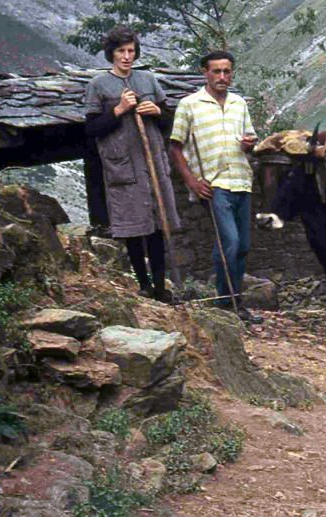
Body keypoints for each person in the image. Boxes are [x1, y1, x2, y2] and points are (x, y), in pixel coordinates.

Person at [84, 26, 181, 303]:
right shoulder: (99, 85)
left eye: (131, 51)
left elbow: (169, 121)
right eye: (121, 51)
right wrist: (118, 111)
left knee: (158, 224)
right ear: (111, 54)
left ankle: (162, 287)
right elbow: (91, 129)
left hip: (152, 164)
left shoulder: (148, 80)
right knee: (134, 226)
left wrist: (158, 111)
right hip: (123, 166)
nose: (127, 57)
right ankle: (143, 284)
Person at [169, 50, 261, 323]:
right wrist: (192, 182)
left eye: (227, 71)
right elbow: (175, 147)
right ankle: (228, 303)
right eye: (217, 71)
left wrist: (249, 143)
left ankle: (231, 301)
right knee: (230, 242)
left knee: (241, 245)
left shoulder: (238, 103)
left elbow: (251, 139)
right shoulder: (190, 105)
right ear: (205, 73)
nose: (222, 77)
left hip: (242, 180)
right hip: (214, 183)